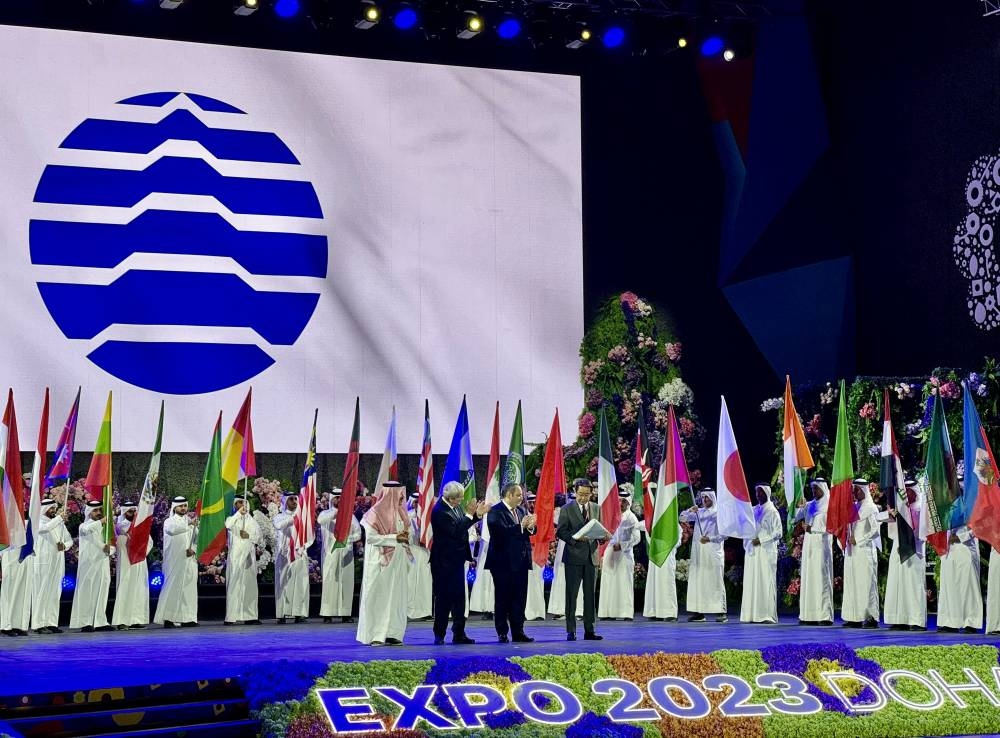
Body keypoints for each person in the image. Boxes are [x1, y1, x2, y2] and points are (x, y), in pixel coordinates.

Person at [429, 481, 486, 644]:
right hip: (443, 562)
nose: (460, 501)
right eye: (458, 498)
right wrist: (469, 515)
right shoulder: (440, 511)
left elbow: (462, 524)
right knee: (443, 599)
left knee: (459, 598)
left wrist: (476, 516)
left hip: (456, 560)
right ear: (450, 497)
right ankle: (439, 634)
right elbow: (455, 530)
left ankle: (459, 633)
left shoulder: (455, 507)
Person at [357, 482, 411, 645]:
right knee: (378, 598)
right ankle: (376, 635)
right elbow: (372, 538)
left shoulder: (402, 513)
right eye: (399, 495)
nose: (402, 498)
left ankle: (393, 633)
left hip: (398, 562)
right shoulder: (374, 514)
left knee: (396, 598)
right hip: (380, 563)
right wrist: (394, 538)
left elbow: (407, 533)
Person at [484, 482, 536, 643]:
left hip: (521, 561)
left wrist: (531, 527)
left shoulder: (521, 510)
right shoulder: (495, 511)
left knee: (519, 598)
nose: (522, 498)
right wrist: (521, 526)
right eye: (519, 495)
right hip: (502, 563)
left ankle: (518, 631)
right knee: (503, 598)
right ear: (509, 495)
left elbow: (528, 531)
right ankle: (502, 632)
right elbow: (499, 533)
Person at [556, 478, 604, 640]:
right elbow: (561, 531)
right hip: (573, 557)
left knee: (590, 595)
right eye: (580, 494)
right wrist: (575, 538)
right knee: (572, 595)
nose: (583, 498)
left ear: (592, 494)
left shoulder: (597, 508)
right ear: (575, 493)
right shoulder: (566, 509)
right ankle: (571, 630)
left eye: (587, 494)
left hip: (592, 557)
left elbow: (601, 528)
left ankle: (590, 630)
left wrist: (603, 536)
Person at [884, 480, 927, 631]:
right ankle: (898, 619)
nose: (907, 493)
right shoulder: (900, 508)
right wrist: (891, 516)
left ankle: (916, 620)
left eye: (910, 491)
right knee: (897, 583)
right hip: (898, 548)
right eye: (905, 490)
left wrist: (907, 543)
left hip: (914, 550)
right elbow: (890, 528)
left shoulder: (921, 508)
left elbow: (923, 533)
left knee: (913, 585)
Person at [680, 488, 727, 623]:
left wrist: (710, 539)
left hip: (713, 551)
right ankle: (698, 612)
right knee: (698, 581)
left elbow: (725, 534)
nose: (705, 500)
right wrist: (691, 510)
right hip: (699, 552)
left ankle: (721, 611)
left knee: (715, 580)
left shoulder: (719, 513)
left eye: (707, 497)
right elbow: (682, 517)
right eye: (703, 498)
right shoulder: (699, 512)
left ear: (713, 498)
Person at [840, 479, 881, 628]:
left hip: (864, 551)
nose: (855, 493)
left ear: (864, 490)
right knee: (853, 583)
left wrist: (858, 539)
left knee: (867, 584)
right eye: (854, 490)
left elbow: (875, 531)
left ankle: (870, 617)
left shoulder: (871, 508)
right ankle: (854, 617)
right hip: (852, 553)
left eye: (857, 490)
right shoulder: (854, 507)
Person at [69, 500, 115, 632]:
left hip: (102, 563)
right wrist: (102, 521)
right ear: (89, 512)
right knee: (87, 592)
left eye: (100, 510)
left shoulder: (105, 527)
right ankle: (85, 622)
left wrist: (109, 550)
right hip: (88, 565)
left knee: (102, 592)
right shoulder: (84, 526)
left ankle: (100, 621)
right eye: (95, 510)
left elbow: (112, 544)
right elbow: (88, 530)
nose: (98, 513)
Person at [153, 496, 199, 628]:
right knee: (172, 588)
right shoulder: (169, 521)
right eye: (181, 506)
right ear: (174, 507)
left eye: (185, 505)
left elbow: (197, 539)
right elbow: (173, 530)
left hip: (189, 561)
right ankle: (168, 618)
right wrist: (190, 523)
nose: (183, 508)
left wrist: (194, 550)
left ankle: (188, 618)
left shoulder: (191, 523)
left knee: (188, 590)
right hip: (174, 562)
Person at [318, 489, 361, 624]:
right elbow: (320, 520)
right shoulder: (325, 514)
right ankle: (327, 614)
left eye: (341, 498)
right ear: (331, 499)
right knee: (330, 583)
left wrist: (348, 539)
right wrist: (338, 512)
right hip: (330, 554)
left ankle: (345, 613)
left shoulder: (350, 516)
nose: (339, 500)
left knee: (346, 583)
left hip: (346, 554)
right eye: (336, 498)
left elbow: (358, 533)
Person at [795, 478, 834, 625]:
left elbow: (832, 527)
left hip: (822, 546)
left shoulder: (830, 504)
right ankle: (808, 615)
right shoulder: (810, 505)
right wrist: (799, 507)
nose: (814, 492)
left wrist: (813, 529)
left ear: (823, 489)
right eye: (812, 489)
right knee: (809, 578)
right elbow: (794, 519)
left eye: (816, 489)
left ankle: (824, 616)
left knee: (821, 579)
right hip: (809, 547)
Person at [740, 484, 781, 624]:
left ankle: (766, 615)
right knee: (752, 581)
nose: (758, 495)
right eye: (756, 492)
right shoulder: (754, 510)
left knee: (765, 581)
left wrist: (761, 540)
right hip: (753, 552)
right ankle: (751, 614)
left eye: (761, 492)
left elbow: (778, 532)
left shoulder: (772, 511)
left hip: (766, 551)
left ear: (767, 494)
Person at [598, 489, 641, 620]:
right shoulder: (611, 515)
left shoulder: (631, 518)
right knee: (608, 582)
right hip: (609, 551)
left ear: (628, 503)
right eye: (619, 501)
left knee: (623, 583)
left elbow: (636, 538)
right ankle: (607, 613)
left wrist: (622, 545)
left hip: (624, 555)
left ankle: (625, 613)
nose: (621, 503)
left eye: (624, 501)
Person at [32, 498, 72, 634]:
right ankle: (39, 624)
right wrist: (59, 518)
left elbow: (69, 540)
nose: (54, 510)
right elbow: (44, 530)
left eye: (54, 508)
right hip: (42, 562)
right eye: (51, 508)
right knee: (41, 592)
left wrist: (65, 546)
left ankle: (51, 623)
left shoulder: (59, 523)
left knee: (55, 593)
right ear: (44, 509)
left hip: (57, 562)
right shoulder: (37, 521)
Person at [642, 483, 680, 622]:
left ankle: (669, 612)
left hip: (666, 556)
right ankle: (654, 610)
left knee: (666, 583)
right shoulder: (654, 521)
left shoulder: (674, 524)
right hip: (655, 555)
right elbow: (641, 525)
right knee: (654, 583)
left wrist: (665, 543)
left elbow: (677, 540)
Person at [111, 500, 152, 630]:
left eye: (135, 511)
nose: (133, 513)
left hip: (139, 560)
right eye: (130, 511)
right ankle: (122, 621)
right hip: (126, 562)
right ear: (124, 512)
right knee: (125, 589)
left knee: (139, 589)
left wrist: (142, 552)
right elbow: (123, 528)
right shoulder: (119, 525)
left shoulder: (140, 526)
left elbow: (149, 541)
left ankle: (136, 619)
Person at [937, 522, 983, 633]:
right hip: (947, 548)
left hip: (966, 547)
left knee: (968, 588)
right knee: (949, 587)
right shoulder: (944, 504)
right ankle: (950, 622)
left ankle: (970, 622)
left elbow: (980, 524)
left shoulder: (971, 504)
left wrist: (961, 537)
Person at [224, 497, 262, 626]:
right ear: (235, 505)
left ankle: (250, 616)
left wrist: (249, 536)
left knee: (250, 586)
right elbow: (228, 525)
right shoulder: (231, 519)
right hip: (236, 557)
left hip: (249, 558)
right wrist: (238, 514)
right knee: (234, 585)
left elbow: (259, 536)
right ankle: (231, 617)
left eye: (244, 502)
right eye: (239, 503)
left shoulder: (252, 521)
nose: (243, 505)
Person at [273, 491, 309, 624]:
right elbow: (278, 526)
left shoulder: (303, 518)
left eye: (296, 499)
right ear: (285, 501)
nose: (294, 501)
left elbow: (309, 535)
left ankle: (299, 613)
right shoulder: (279, 517)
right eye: (291, 499)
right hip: (284, 554)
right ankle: (281, 613)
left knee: (300, 583)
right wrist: (293, 518)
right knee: (283, 583)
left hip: (300, 553)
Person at [547, 495, 583, 620]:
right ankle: (560, 609)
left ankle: (576, 610)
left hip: (578, 548)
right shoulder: (563, 512)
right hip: (564, 548)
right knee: (561, 576)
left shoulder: (583, 512)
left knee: (575, 579)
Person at [0, 514, 33, 637]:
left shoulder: (26, 524)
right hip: (10, 561)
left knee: (22, 594)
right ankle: (5, 626)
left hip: (25, 560)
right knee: (8, 594)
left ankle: (18, 625)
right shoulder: (5, 525)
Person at [406, 492, 433, 620]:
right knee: (411, 582)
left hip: (425, 553)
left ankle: (424, 611)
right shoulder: (407, 516)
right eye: (416, 502)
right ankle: (409, 611)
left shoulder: (429, 517)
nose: (418, 504)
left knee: (425, 582)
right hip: (412, 551)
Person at [524, 492, 547, 621]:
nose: (532, 504)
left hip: (538, 552)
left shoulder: (541, 515)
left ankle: (537, 611)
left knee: (537, 582)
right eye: (530, 502)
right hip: (524, 553)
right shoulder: (521, 513)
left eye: (534, 502)